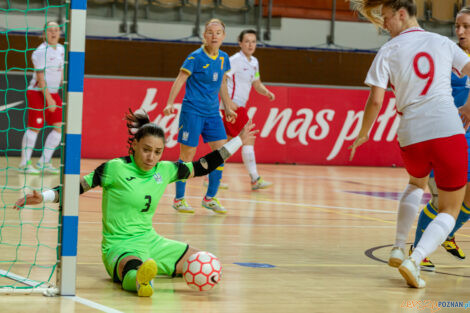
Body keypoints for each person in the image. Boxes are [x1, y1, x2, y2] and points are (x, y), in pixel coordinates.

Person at [14, 110, 257, 297]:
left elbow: (203, 166)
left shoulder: (166, 169)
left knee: (198, 258)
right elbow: (78, 187)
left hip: (152, 241)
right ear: (135, 146)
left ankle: (148, 273)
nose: (152, 157)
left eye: (158, 152)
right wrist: (45, 196)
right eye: (146, 150)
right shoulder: (114, 169)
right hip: (119, 247)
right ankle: (140, 281)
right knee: (132, 267)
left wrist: (238, 140)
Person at [349, 0, 470, 288]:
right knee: (450, 209)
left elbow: (376, 100)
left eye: (387, 19)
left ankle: (398, 246)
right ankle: (414, 261)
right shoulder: (442, 41)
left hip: (411, 133)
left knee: (416, 184)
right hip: (447, 130)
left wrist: (363, 132)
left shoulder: (388, 50)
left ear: (402, 15)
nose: (384, 25)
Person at [410, 6, 470, 272]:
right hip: (454, 138)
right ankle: (418, 249)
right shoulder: (448, 57)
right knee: (442, 202)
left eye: (466, 27)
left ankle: (443, 235)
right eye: (457, 26)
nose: (459, 32)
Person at [163, 18, 237, 214]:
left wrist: (228, 107)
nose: (214, 36)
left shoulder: (224, 58)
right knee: (187, 155)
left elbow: (222, 83)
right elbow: (180, 79)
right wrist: (170, 103)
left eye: (218, 33)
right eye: (210, 32)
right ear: (204, 35)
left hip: (212, 112)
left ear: (223, 36)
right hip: (193, 111)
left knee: (221, 152)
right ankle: (179, 199)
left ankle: (210, 198)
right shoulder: (195, 57)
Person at [220, 29, 276, 190]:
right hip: (232, 106)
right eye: (247, 41)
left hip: (238, 106)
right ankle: (254, 178)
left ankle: (212, 177)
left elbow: (256, 83)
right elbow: (222, 78)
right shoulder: (235, 60)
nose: (251, 44)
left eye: (253, 41)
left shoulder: (254, 62)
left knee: (226, 143)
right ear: (240, 43)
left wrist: (266, 92)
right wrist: (228, 102)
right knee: (248, 137)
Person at [19, 21, 64, 174]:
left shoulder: (61, 49)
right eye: (50, 30)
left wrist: (57, 91)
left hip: (53, 92)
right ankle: (24, 164)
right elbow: (40, 78)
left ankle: (44, 162)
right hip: (37, 92)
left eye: (56, 30)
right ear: (44, 34)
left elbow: (60, 71)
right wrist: (49, 99)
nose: (53, 33)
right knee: (35, 127)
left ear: (59, 32)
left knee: (59, 127)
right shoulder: (40, 52)